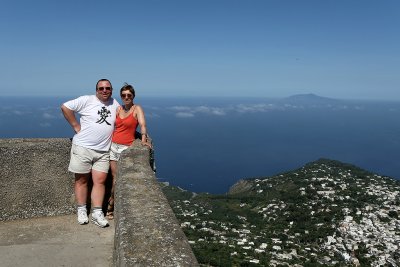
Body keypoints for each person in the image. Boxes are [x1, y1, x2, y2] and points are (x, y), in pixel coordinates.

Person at [61, 79, 120, 227]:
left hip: (103, 151)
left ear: (111, 90)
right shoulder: (86, 100)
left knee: (99, 182)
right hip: (83, 147)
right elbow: (65, 107)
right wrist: (76, 126)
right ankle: (81, 210)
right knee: (81, 181)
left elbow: (125, 117)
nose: (104, 90)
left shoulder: (115, 103)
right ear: (96, 90)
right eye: (101, 88)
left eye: (107, 88)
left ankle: (97, 212)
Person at [107, 83, 151, 219]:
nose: (126, 97)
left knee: (118, 179)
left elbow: (143, 124)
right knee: (115, 178)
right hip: (113, 146)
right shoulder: (118, 109)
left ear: (133, 96)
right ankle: (111, 205)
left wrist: (143, 139)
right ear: (121, 96)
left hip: (126, 148)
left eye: (129, 95)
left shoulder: (136, 109)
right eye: (123, 95)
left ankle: (111, 204)